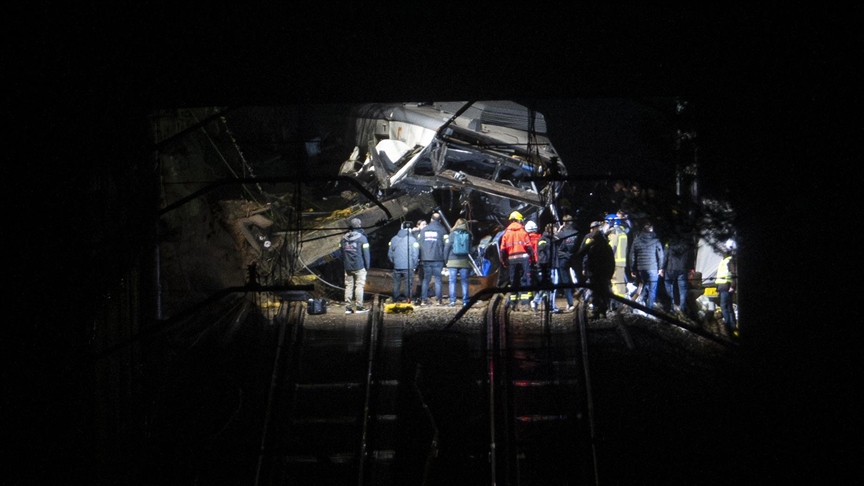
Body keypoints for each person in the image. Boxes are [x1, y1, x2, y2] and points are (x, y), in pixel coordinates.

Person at [573, 218, 616, 318]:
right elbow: (611, 262)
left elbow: (582, 254)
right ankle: (603, 311)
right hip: (603, 274)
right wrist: (610, 273)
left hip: (596, 275)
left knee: (596, 294)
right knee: (603, 293)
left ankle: (597, 311)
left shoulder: (593, 248)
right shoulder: (606, 247)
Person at [499, 210, 535, 310]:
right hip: (524, 259)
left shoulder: (506, 233)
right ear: (519, 220)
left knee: (513, 280)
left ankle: (512, 303)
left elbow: (502, 250)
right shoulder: (523, 232)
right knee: (525, 279)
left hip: (512, 260)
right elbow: (529, 247)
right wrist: (532, 259)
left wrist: (504, 262)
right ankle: (525, 303)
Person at [629, 222, 665, 312]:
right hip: (653, 267)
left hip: (641, 268)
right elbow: (661, 255)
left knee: (645, 284)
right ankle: (649, 309)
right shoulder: (656, 240)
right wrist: (660, 268)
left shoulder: (636, 240)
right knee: (652, 288)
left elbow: (632, 256)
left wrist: (632, 269)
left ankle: (641, 301)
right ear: (651, 230)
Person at [340, 217, 371, 314]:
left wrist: (345, 263)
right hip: (359, 266)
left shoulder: (343, 239)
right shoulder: (362, 238)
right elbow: (366, 254)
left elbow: (342, 252)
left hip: (348, 267)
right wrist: (367, 266)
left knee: (348, 286)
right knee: (359, 286)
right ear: (359, 226)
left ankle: (348, 308)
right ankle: (359, 307)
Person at [661, 229, 695, 314]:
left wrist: (661, 268)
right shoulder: (687, 244)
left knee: (668, 284)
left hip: (671, 268)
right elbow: (691, 257)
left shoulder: (670, 243)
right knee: (683, 289)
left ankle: (673, 304)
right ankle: (682, 307)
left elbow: (665, 256)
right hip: (683, 268)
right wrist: (691, 269)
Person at [418, 212, 448, 305]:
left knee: (426, 279)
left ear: (431, 219)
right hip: (438, 258)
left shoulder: (424, 230)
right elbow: (446, 244)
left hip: (426, 258)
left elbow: (420, 244)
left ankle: (423, 300)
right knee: (438, 279)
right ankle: (438, 300)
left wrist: (421, 256)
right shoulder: (442, 229)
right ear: (439, 220)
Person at [388, 221, 420, 303]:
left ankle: (395, 299)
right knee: (408, 284)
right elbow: (415, 254)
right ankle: (408, 299)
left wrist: (394, 262)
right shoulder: (413, 240)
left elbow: (390, 253)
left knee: (396, 283)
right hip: (409, 266)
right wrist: (414, 265)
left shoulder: (394, 239)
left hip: (397, 266)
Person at [444, 218, 473, 307]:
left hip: (452, 261)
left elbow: (447, 248)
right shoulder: (469, 234)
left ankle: (452, 301)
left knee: (452, 281)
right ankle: (465, 301)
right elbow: (470, 250)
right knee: (464, 281)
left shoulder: (452, 234)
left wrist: (445, 261)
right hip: (464, 261)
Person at [554, 214, 579, 312]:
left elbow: (554, 241)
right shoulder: (576, 233)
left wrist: (559, 230)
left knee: (566, 282)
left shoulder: (561, 235)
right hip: (574, 259)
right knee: (577, 279)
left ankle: (570, 303)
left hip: (563, 259)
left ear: (564, 223)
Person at [605, 213, 630, 304]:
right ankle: (622, 303)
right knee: (621, 284)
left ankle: (617, 304)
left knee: (616, 284)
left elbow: (611, 248)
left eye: (607, 223)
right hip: (622, 262)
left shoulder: (614, 233)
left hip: (615, 262)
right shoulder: (623, 232)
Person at [716, 239, 739, 338]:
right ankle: (733, 326)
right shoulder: (724, 260)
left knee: (724, 307)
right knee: (729, 307)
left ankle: (729, 326)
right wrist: (718, 289)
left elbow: (733, 274)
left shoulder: (729, 260)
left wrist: (733, 286)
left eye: (723, 250)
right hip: (723, 286)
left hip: (726, 286)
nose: (721, 251)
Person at [531, 222, 556, 312]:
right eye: (555, 230)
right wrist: (545, 265)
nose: (556, 231)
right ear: (550, 230)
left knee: (550, 286)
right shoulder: (543, 239)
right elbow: (541, 254)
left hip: (552, 265)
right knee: (548, 285)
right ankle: (537, 302)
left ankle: (549, 305)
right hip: (546, 266)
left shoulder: (551, 239)